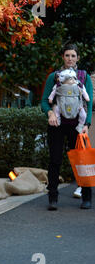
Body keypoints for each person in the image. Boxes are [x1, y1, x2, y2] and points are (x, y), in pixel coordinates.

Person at [41, 43, 93, 211]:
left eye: (73, 55)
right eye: (67, 55)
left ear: (77, 58)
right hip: (57, 124)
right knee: (55, 160)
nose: (70, 58)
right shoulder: (54, 77)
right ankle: (53, 197)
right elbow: (44, 101)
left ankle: (86, 197)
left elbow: (89, 101)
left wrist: (86, 124)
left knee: (81, 161)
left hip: (77, 127)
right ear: (62, 57)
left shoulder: (83, 76)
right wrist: (50, 113)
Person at [47, 68, 90, 133]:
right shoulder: (59, 85)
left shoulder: (78, 85)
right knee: (56, 109)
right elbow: (54, 91)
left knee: (83, 114)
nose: (72, 80)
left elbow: (83, 91)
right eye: (69, 79)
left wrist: (87, 97)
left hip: (77, 106)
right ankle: (58, 119)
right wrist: (50, 98)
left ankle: (80, 125)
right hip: (62, 104)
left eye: (73, 78)